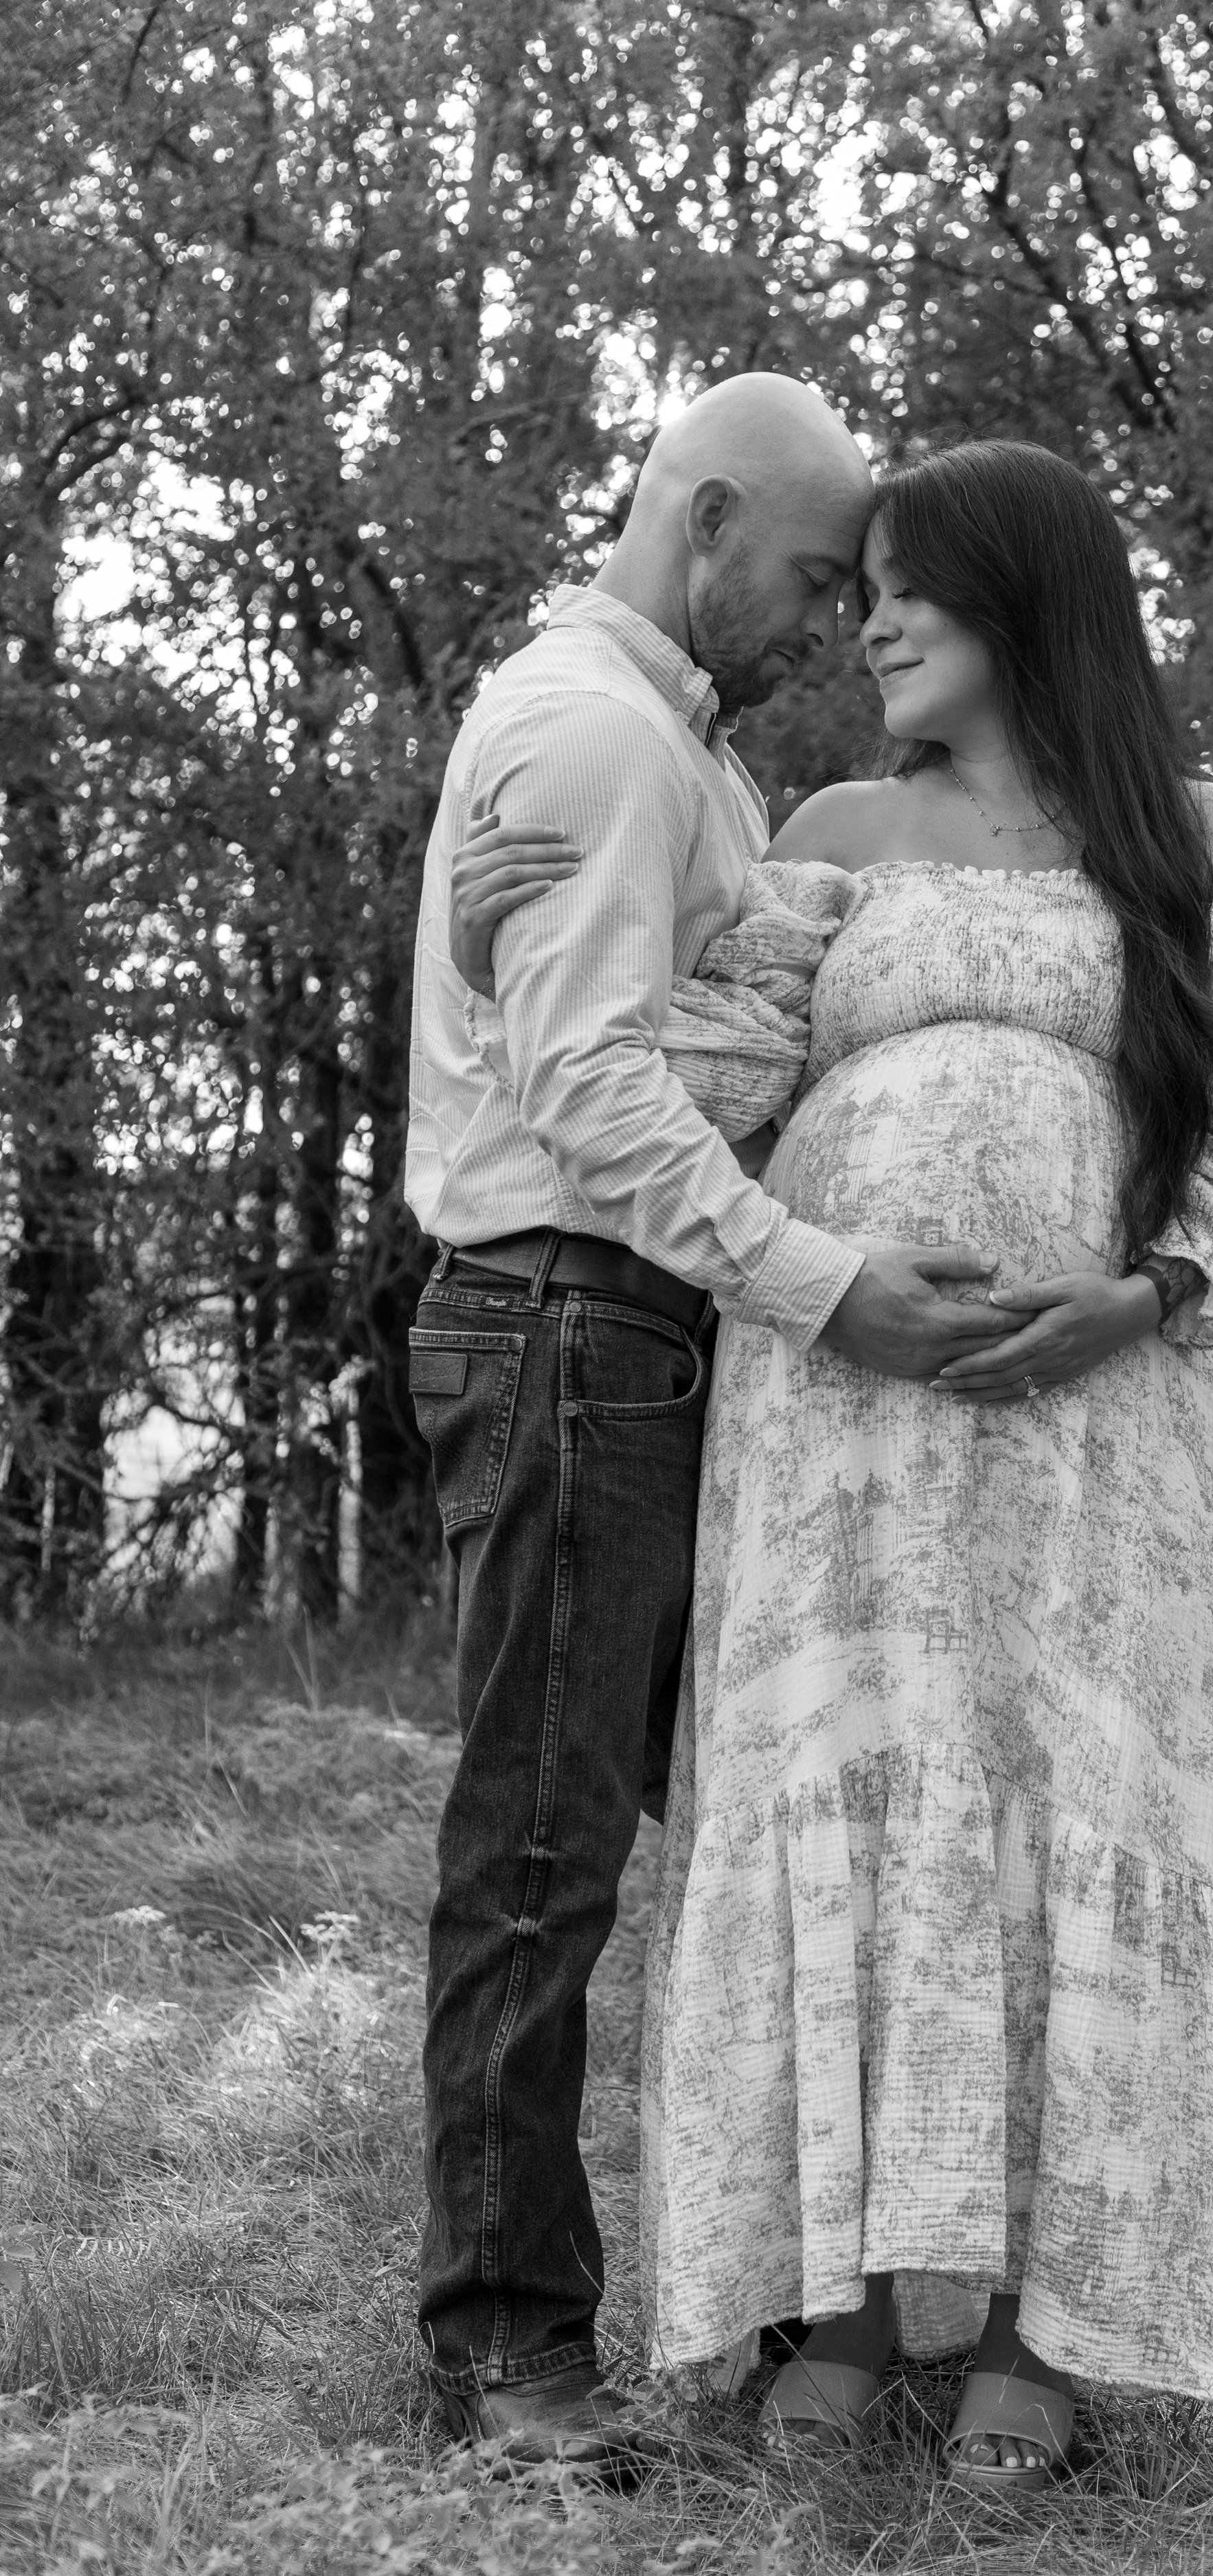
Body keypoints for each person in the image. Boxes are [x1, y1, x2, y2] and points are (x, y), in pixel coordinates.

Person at [453, 439, 1213, 2491]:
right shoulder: (831, 827)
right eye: (851, 584)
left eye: (905, 588)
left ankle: (1040, 2330)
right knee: (840, 1792)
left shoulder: (1199, 837)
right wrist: (500, 938)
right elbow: (683, 1082)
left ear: (1022, 596)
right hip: (834, 1422)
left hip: (1091, 1421)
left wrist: (1144, 1293)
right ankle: (851, 2308)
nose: (864, 621)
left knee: (1067, 1798)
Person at [402, 376, 1019, 2470]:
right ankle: (505, 2350)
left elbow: (725, 1040)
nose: (835, 623)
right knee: (539, 1862)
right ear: (712, 516)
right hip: (572, 1330)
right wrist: (829, 1282)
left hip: (651, 1349)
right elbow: (590, 1091)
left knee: (764, 1833)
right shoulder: (589, 733)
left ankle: (798, 2299)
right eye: (819, 576)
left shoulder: (674, 751)